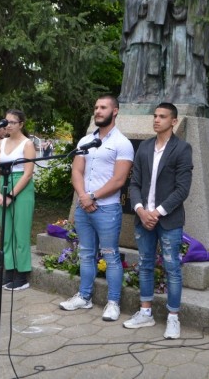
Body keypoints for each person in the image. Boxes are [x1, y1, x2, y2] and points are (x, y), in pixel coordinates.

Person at [59, 94, 134, 321]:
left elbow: (119, 180)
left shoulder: (122, 143)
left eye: (103, 107)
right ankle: (84, 297)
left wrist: (92, 196)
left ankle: (113, 302)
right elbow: (76, 171)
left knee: (110, 256)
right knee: (86, 253)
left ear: (115, 111)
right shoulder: (85, 142)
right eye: (96, 107)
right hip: (84, 207)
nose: (98, 111)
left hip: (107, 209)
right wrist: (83, 196)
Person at [123, 102, 193, 339]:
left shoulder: (182, 149)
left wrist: (158, 212)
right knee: (145, 265)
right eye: (155, 116)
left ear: (173, 121)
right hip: (143, 218)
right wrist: (141, 210)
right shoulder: (144, 147)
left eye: (162, 116)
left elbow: (183, 189)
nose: (156, 120)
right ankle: (145, 313)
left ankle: (173, 318)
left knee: (172, 268)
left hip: (168, 220)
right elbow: (134, 184)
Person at [0, 109, 36, 291]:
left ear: (21, 124)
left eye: (12, 122)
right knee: (6, 233)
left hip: (21, 188)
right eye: (5, 121)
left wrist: (11, 195)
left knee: (20, 233)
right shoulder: (1, 143)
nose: (7, 125)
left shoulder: (27, 144)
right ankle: (8, 270)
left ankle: (22, 274)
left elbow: (27, 173)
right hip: (2, 184)